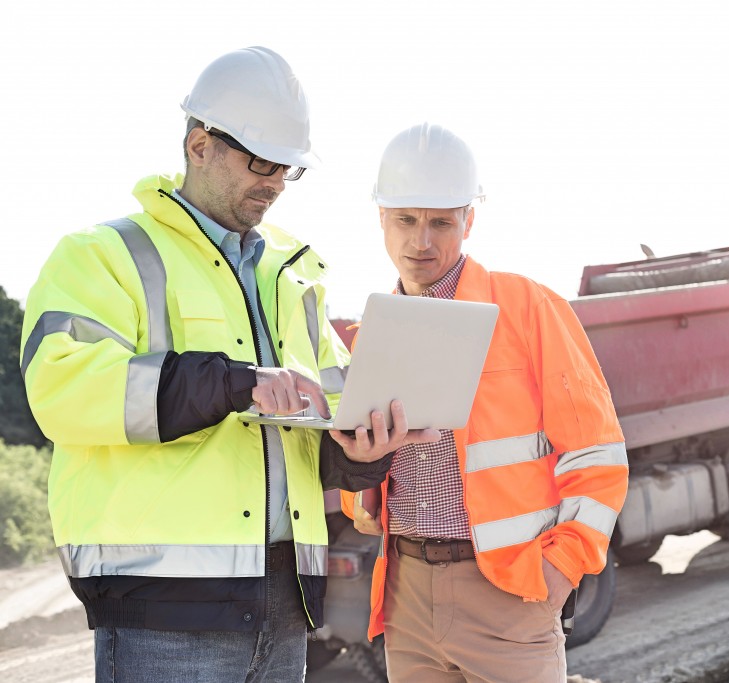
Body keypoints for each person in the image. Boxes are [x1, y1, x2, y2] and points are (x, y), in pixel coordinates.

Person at [20, 47, 434, 683]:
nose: (273, 182)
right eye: (261, 162)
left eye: (288, 169)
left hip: (286, 607)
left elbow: (321, 431)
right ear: (199, 145)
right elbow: (61, 388)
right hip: (161, 614)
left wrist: (363, 451)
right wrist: (234, 384)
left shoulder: (293, 278)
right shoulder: (103, 255)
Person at [343, 123, 629, 682]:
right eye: (405, 220)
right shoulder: (368, 335)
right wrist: (359, 476)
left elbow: (598, 458)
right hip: (407, 598)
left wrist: (557, 574)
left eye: (440, 222)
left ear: (468, 220)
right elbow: (363, 493)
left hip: (510, 594)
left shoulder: (527, 308)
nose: (421, 242)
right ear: (381, 219)